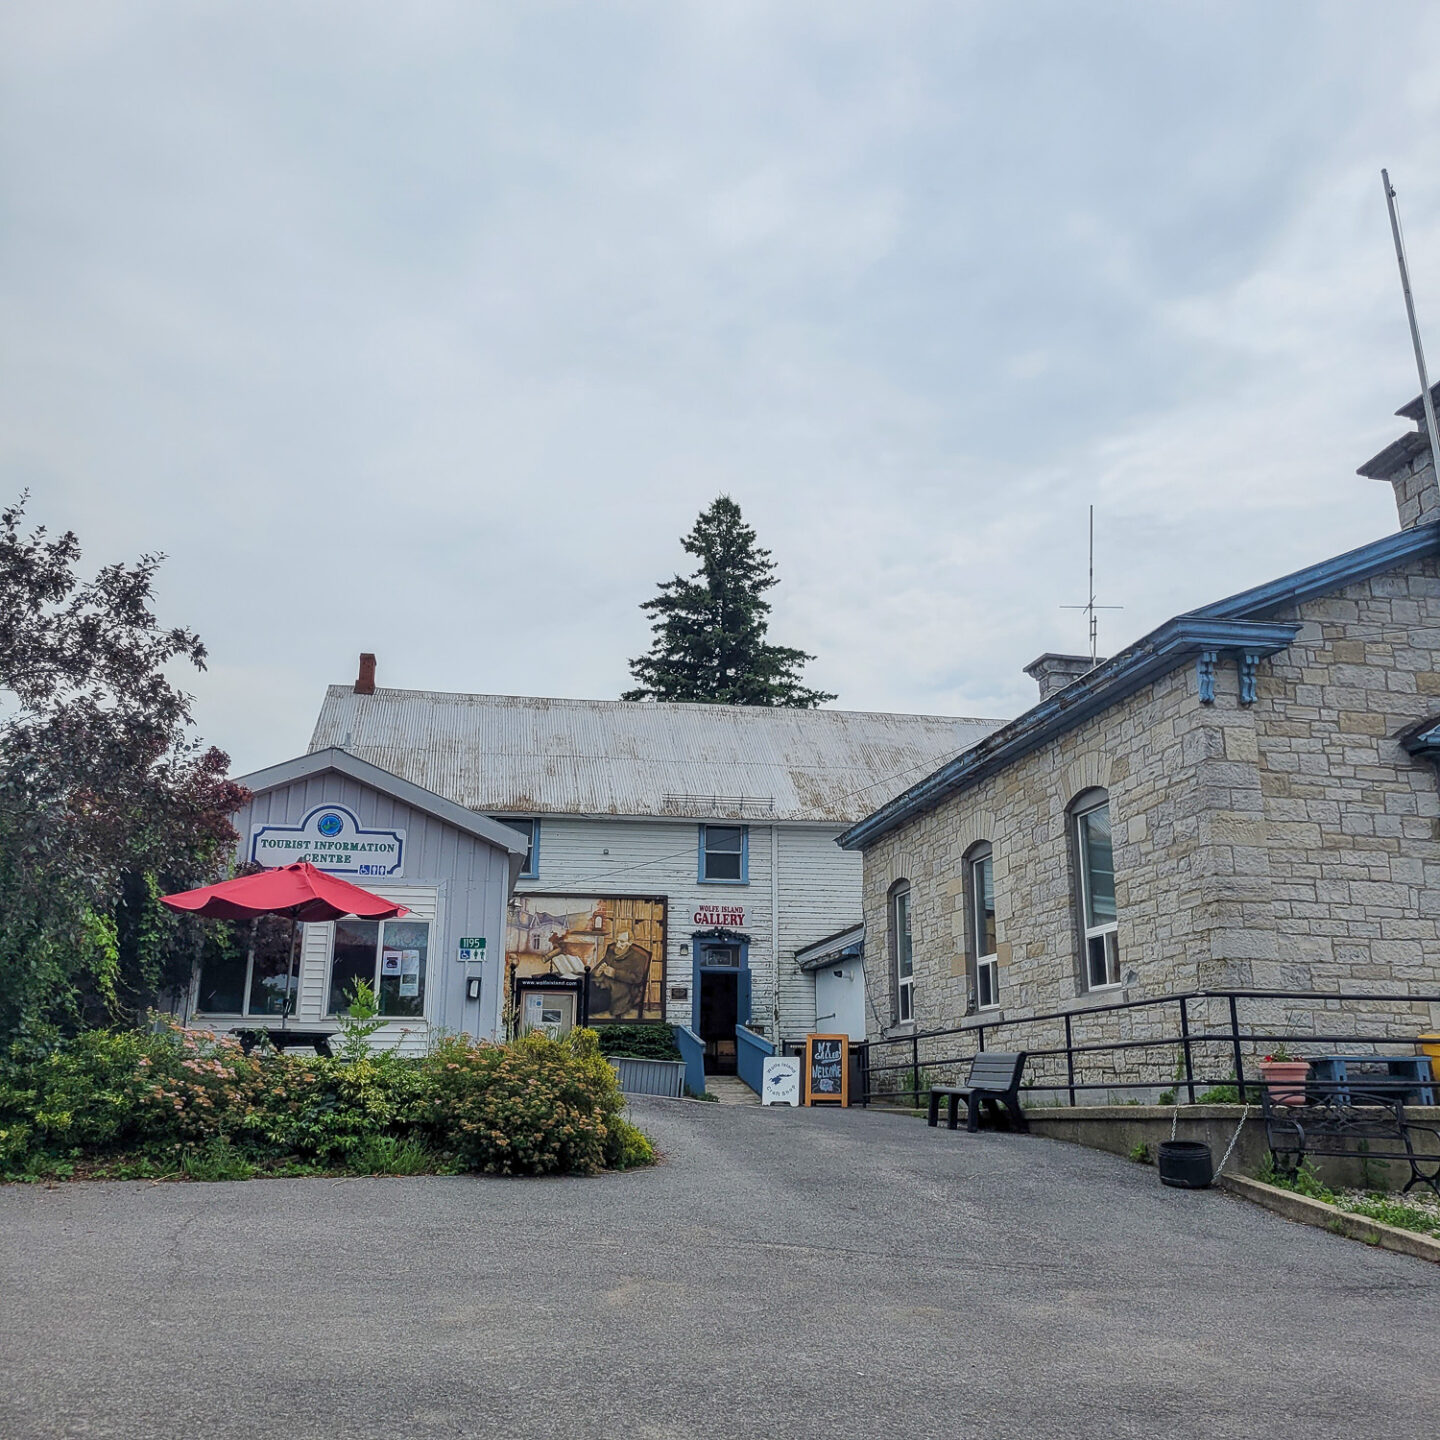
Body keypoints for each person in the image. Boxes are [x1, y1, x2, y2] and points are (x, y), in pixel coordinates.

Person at [589, 930, 651, 1020]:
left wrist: (615, 973)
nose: (618, 945)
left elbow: (637, 978)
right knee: (583, 984)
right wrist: (597, 972)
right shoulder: (611, 951)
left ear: (630, 942)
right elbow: (597, 968)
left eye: (622, 942)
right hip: (600, 984)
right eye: (617, 941)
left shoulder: (638, 957)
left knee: (591, 1002)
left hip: (618, 989)